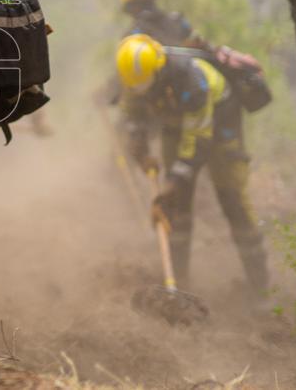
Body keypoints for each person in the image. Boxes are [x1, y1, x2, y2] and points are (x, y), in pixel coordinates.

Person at [115, 33, 269, 296]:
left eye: (147, 87)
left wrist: (173, 182)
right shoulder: (135, 78)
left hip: (220, 124)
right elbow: (133, 115)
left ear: (159, 70)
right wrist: (140, 151)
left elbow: (197, 140)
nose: (144, 92)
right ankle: (179, 284)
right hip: (176, 124)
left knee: (232, 199)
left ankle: (260, 289)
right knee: (176, 207)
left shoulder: (191, 80)